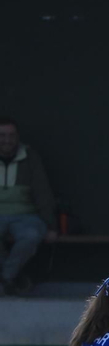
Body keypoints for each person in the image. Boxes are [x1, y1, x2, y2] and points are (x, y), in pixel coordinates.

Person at [0, 116, 59, 295]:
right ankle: (9, 280)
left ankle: (6, 277)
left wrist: (51, 226)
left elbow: (43, 193)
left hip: (26, 215)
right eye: (2, 135)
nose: (7, 140)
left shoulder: (30, 158)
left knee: (32, 235)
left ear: (17, 137)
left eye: (11, 135)